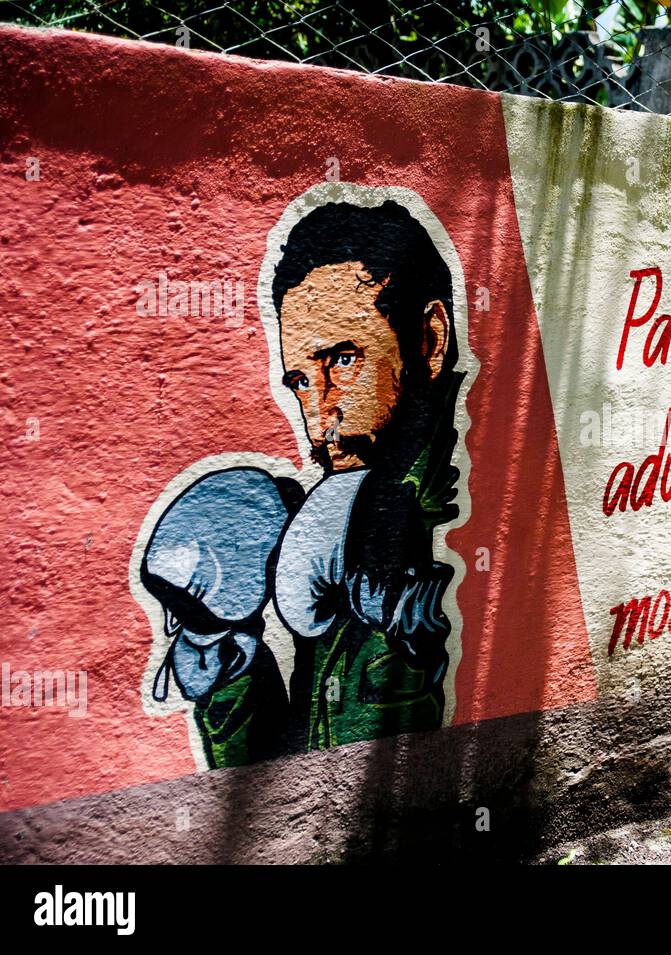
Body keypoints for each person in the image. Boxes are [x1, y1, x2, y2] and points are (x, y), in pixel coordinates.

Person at [140, 198, 465, 768]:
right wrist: (223, 657)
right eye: (300, 381)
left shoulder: (456, 526)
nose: (319, 424)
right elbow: (289, 779)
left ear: (430, 341)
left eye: (342, 361)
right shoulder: (334, 531)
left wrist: (404, 610)